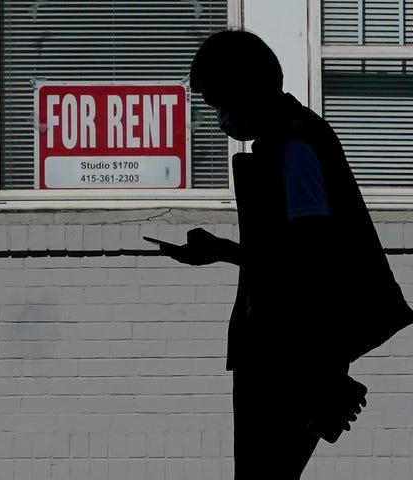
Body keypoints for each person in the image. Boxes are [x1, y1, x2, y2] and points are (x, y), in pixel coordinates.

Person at [159, 29, 413, 479]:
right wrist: (223, 251)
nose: (221, 118)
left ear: (244, 90)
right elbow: (294, 256)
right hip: (291, 354)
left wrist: (320, 373)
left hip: (289, 360)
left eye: (220, 104)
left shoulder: (295, 148)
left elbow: (309, 262)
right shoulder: (287, 142)